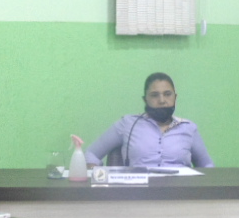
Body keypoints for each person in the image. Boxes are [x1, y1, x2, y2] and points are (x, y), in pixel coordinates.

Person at [86, 72, 214, 168]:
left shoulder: (189, 128)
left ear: (175, 97)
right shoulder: (127, 124)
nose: (162, 100)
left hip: (179, 192)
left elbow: (207, 166)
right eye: (154, 95)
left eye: (167, 94)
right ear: (145, 99)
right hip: (138, 192)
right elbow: (91, 154)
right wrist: (99, 175)